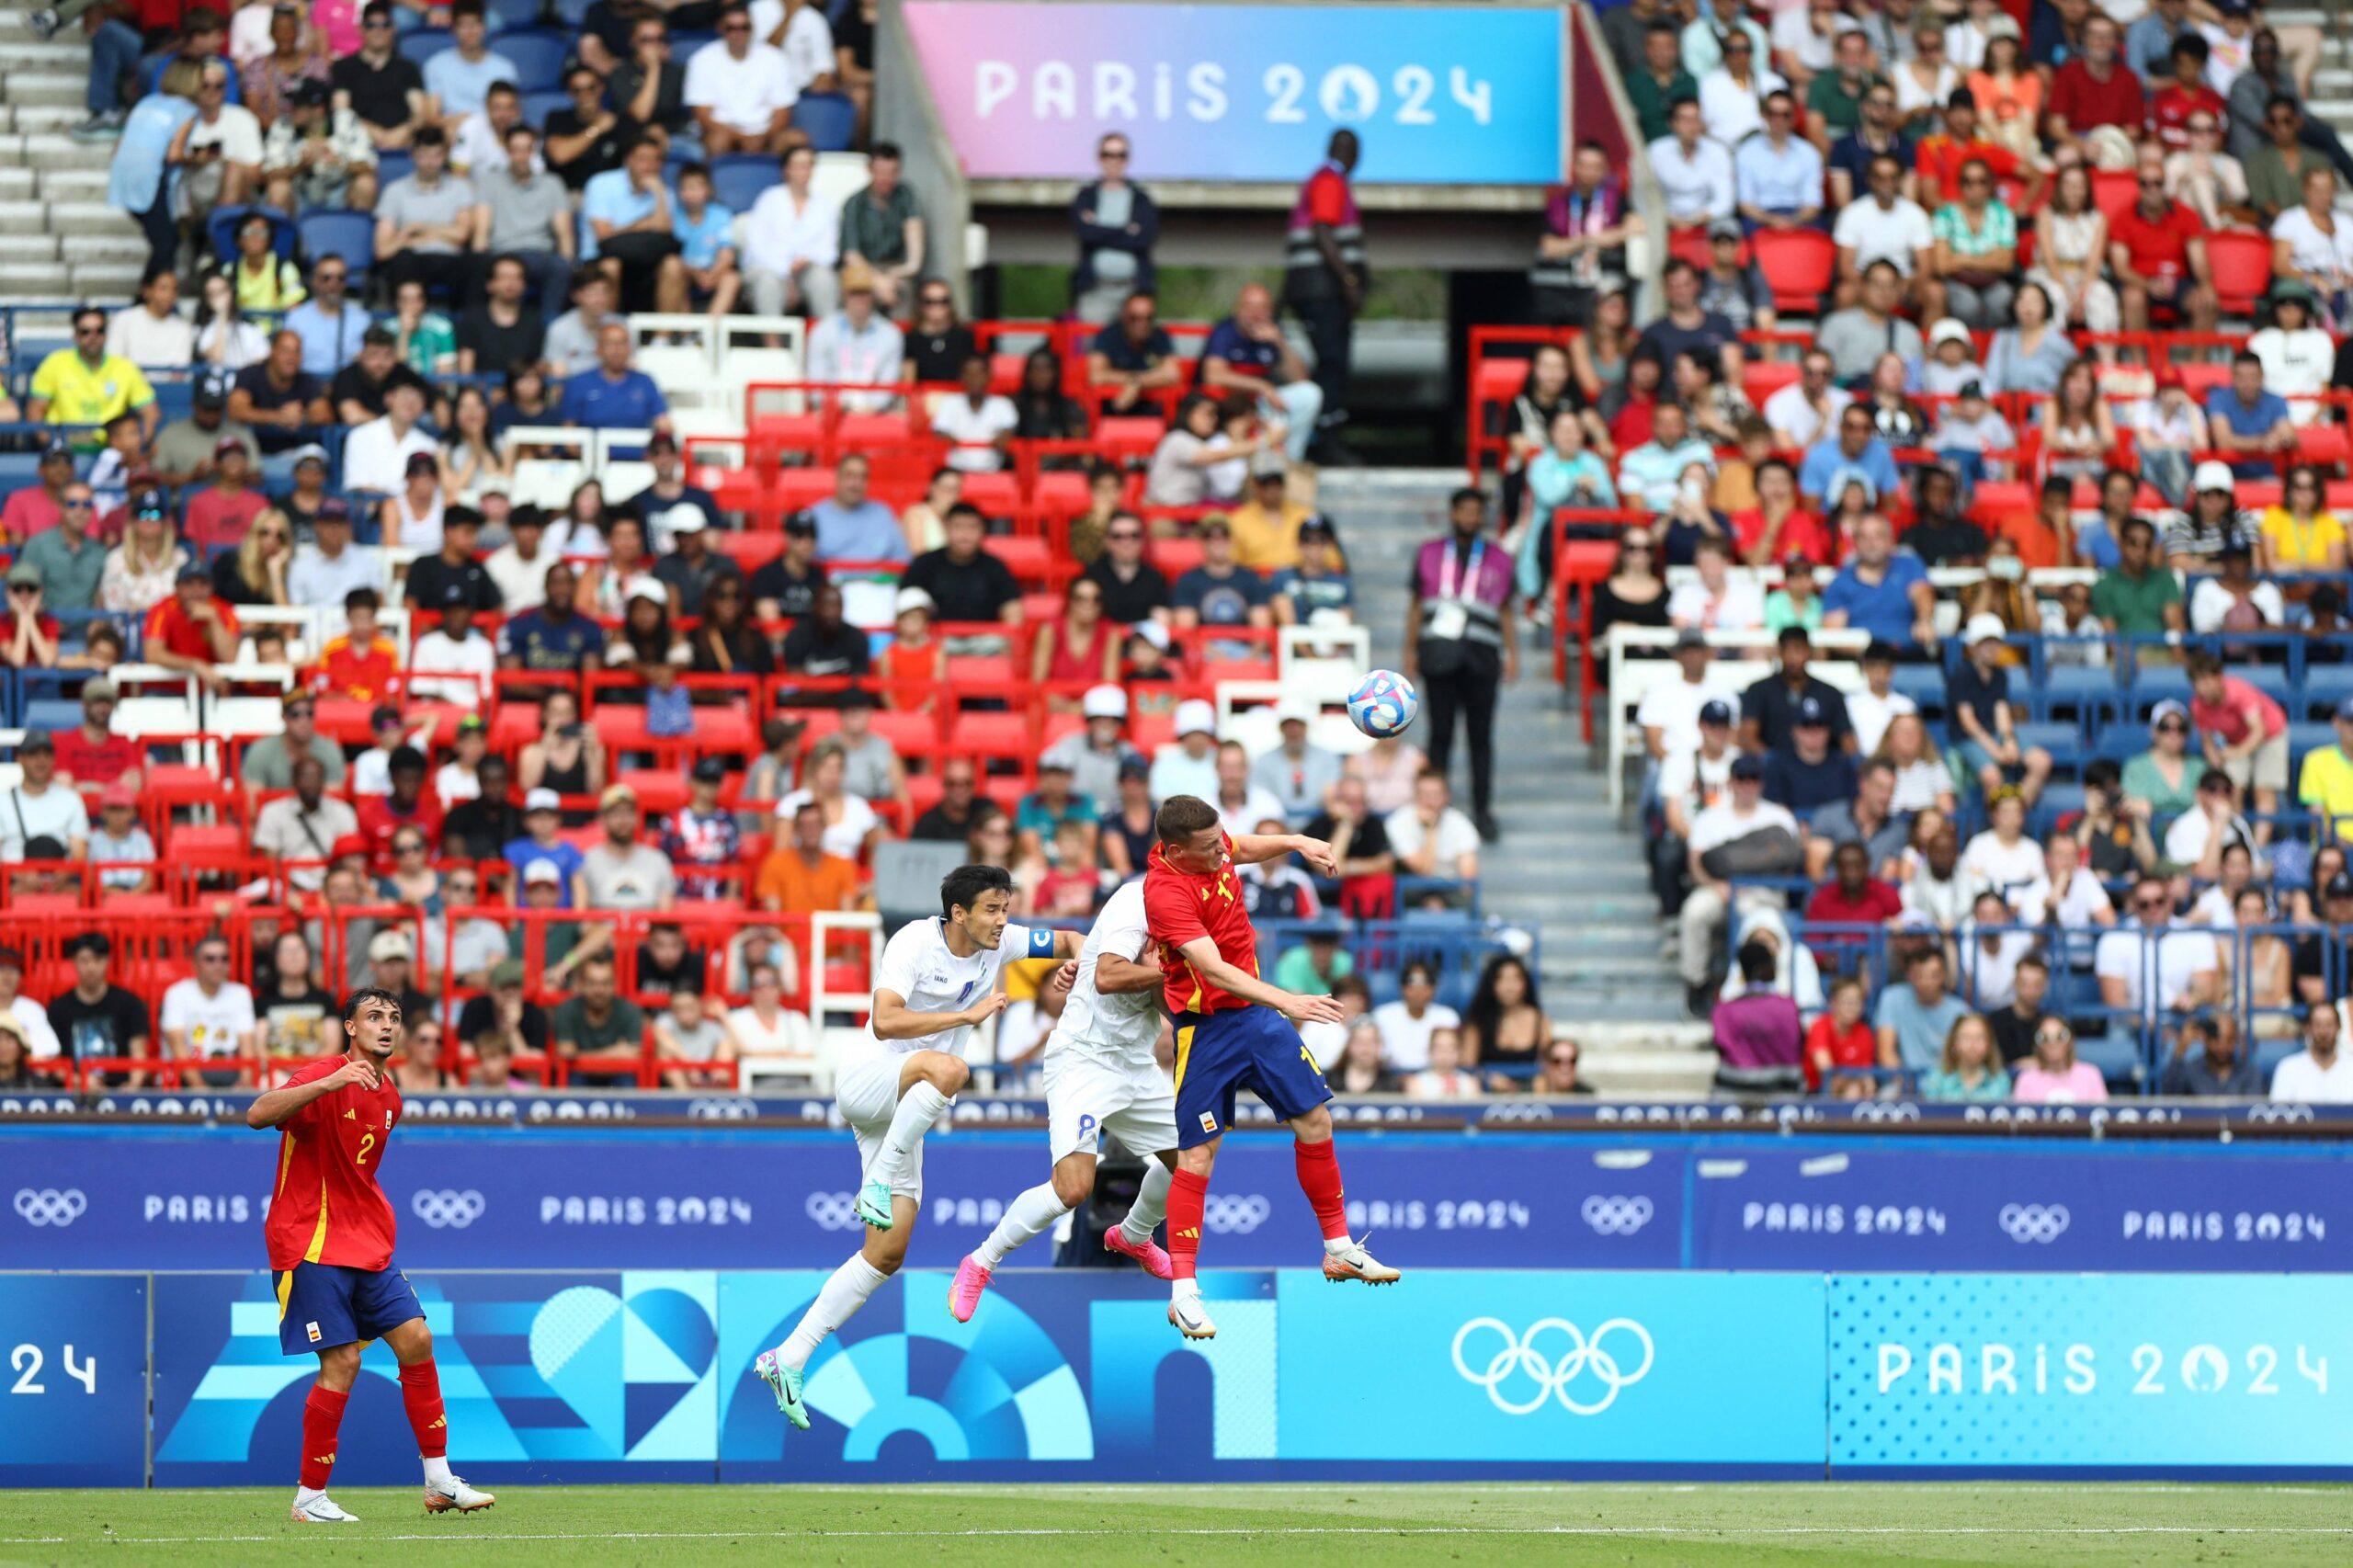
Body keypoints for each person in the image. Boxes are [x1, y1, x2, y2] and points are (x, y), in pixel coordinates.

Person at [753, 866, 1085, 1425]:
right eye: (992, 910)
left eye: (1006, 909)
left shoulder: (1001, 944)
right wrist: (965, 1014)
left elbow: (1073, 937)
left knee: (886, 1252)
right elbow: (883, 1022)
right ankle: (879, 1178)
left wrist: (1075, 960)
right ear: (959, 913)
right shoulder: (913, 942)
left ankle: (788, 1357)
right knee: (953, 1068)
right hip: (870, 1080)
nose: (1003, 921)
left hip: (906, 1107)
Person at [243, 989, 494, 1523]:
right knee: (343, 1362)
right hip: (310, 1241)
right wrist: (330, 1082)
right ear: (351, 1028)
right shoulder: (326, 1072)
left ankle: (439, 1480)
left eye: (394, 1018)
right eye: (374, 1016)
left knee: (417, 1339)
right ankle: (309, 1498)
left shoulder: (391, 1098)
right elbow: (257, 1114)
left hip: (367, 1243)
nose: (387, 1025)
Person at [950, 874, 1188, 1318]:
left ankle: (1135, 1235)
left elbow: (1168, 1004)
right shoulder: (1131, 911)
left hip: (1136, 1066)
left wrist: (1082, 960)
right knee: (1072, 1188)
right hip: (1084, 1061)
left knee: (1193, 1161)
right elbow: (1109, 975)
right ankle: (980, 1261)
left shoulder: (1188, 928)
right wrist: (1101, 965)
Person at [1402, 488, 1517, 840]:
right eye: (1463, 511)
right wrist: (1410, 649)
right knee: (1440, 736)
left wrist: (1512, 652)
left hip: (1482, 657)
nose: (1469, 517)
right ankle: (1434, 809)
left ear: (1482, 517)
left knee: (1480, 739)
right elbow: (1418, 605)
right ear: (1452, 514)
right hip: (1439, 656)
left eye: (1475, 512)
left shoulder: (1499, 557)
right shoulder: (1430, 553)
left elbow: (1506, 610)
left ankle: (1482, 811)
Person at [1282, 128, 1365, 461]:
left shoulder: (1328, 180)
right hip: (1321, 291)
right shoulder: (1330, 181)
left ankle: (1324, 436)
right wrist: (1349, 280)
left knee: (1332, 363)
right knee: (1333, 364)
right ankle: (1325, 440)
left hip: (1318, 289)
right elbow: (1323, 231)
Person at [1070, 131, 1157, 323]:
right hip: (1096, 292)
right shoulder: (1086, 196)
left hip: (1133, 292)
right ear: (1099, 158)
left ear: (1128, 159)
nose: (1114, 161)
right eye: (1108, 155)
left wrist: (1099, 230)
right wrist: (1126, 231)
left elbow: (1144, 239)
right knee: (1093, 350)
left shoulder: (1141, 199)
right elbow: (1086, 234)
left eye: (1120, 155)